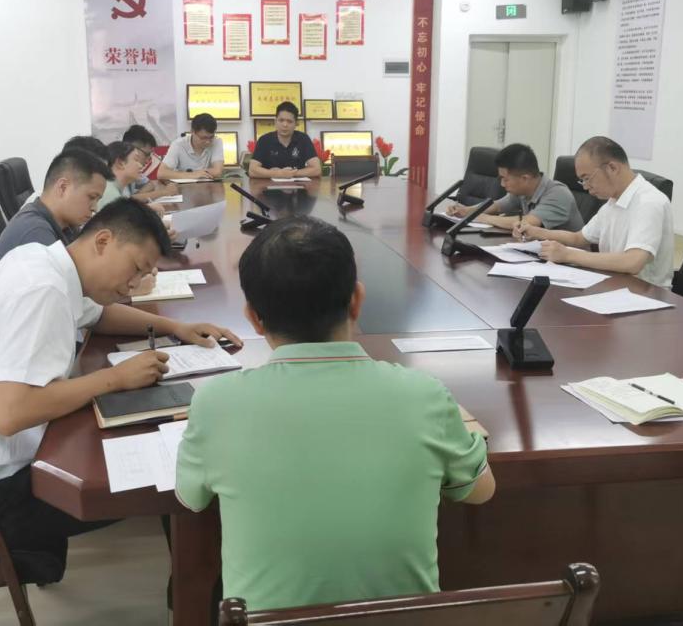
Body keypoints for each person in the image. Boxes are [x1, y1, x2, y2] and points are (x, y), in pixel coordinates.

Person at [176, 216, 494, 611]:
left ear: (253, 318)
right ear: (357, 300)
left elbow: (192, 498)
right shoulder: (424, 395)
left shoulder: (216, 402)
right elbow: (481, 491)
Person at [0, 199, 238, 563]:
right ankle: (196, 586)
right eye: (135, 268)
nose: (134, 284)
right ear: (103, 241)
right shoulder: (44, 289)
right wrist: (114, 378)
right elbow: (8, 415)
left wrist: (175, 327)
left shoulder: (43, 261)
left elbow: (99, 316)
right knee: (179, 479)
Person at [515, 136, 674, 287]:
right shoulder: (613, 202)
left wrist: (568, 255)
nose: (585, 186)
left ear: (612, 168)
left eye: (587, 178)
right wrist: (536, 232)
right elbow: (578, 238)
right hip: (615, 284)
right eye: (582, 180)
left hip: (647, 294)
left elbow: (633, 262)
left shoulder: (649, 202)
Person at [0, 148, 109, 294]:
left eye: (97, 200)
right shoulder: (35, 234)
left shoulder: (66, 224)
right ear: (63, 187)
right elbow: (71, 292)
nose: (95, 208)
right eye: (91, 197)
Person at [447, 143, 583, 232]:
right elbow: (497, 206)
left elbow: (526, 223)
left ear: (525, 178)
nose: (502, 184)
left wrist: (480, 217)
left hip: (572, 263)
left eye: (505, 179)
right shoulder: (523, 191)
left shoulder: (558, 194)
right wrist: (466, 211)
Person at [247, 102, 322, 179]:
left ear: (296, 124)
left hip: (297, 186)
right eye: (281, 120)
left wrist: (290, 173)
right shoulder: (264, 140)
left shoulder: (303, 139)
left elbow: (316, 170)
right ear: (275, 121)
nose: (285, 125)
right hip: (270, 186)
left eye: (289, 121)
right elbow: (252, 170)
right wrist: (277, 174)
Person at [157, 113, 225, 181]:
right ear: (192, 131)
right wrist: (192, 175)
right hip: (182, 186)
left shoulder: (216, 141)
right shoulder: (178, 145)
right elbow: (161, 173)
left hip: (208, 186)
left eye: (211, 137)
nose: (208, 142)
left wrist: (196, 174)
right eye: (203, 138)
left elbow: (217, 172)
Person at [123, 124, 179, 202]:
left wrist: (163, 182)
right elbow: (126, 202)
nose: (147, 161)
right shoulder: (117, 171)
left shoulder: (133, 170)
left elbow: (152, 182)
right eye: (146, 155)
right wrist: (164, 192)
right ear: (133, 150)